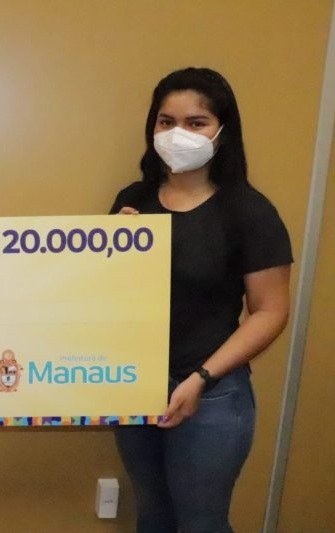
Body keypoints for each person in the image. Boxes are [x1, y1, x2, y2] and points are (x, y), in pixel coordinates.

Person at [110, 67, 292, 532]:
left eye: (196, 123)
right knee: (152, 515)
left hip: (211, 394)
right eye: (166, 122)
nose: (178, 134)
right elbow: (108, 298)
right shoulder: (133, 200)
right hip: (136, 385)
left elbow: (270, 311)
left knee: (201, 523)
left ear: (222, 131)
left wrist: (201, 378)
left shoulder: (249, 212)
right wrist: (111, 251)